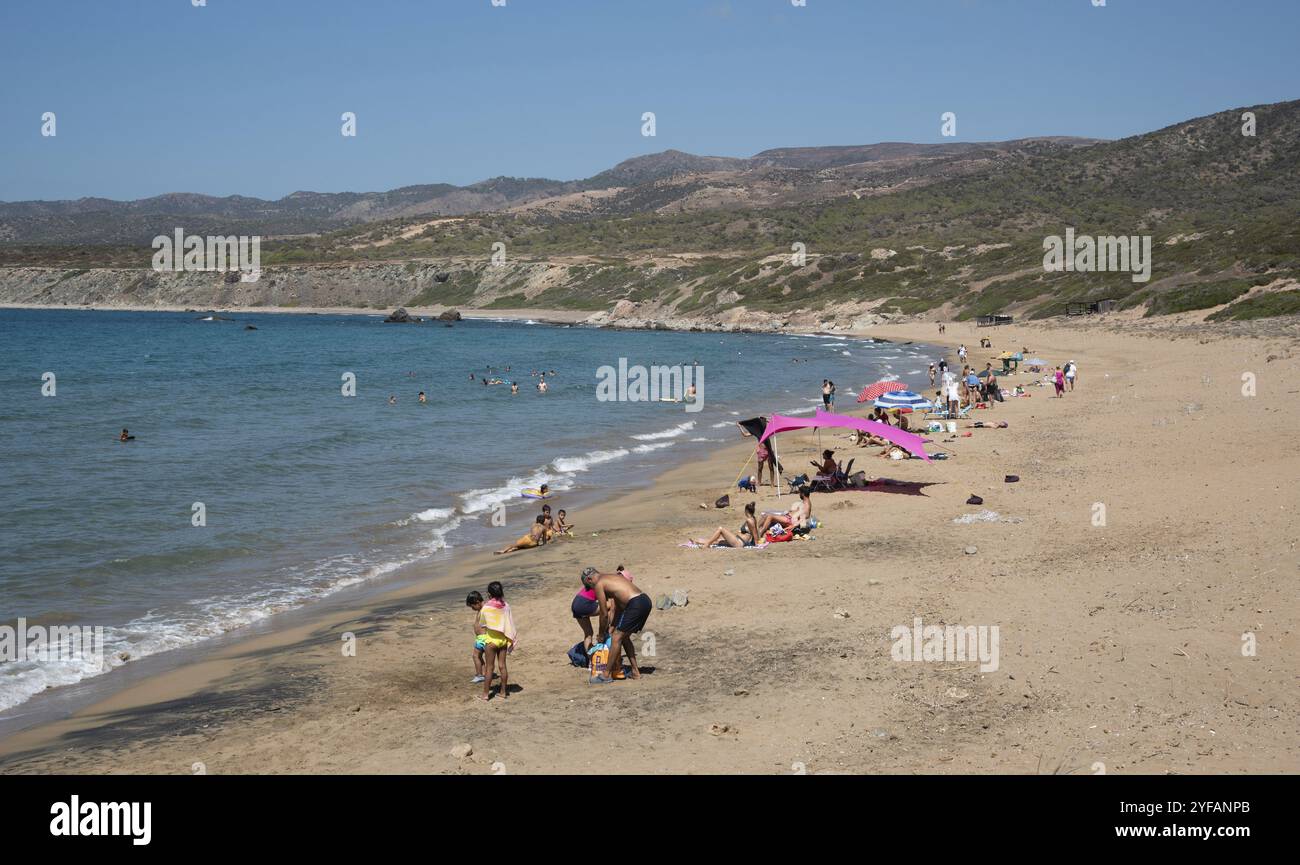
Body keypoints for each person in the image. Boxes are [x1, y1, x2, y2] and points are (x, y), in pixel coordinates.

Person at [585, 569, 650, 683]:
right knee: (623, 637)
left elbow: (604, 614)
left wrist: (601, 634)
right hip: (645, 601)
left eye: (590, 587)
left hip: (635, 603)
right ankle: (635, 672)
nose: (593, 590)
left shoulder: (599, 583)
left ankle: (606, 675)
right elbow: (619, 608)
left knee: (616, 638)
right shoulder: (611, 578)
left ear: (589, 580)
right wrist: (612, 626)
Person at [477, 581, 516, 701]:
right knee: (502, 666)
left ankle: (485, 694)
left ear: (489, 594)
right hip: (503, 640)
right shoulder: (506, 606)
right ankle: (503, 692)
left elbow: (482, 623)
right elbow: (509, 623)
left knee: (489, 668)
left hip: (491, 641)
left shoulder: (486, 608)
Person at [691, 501, 760, 548]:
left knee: (721, 529)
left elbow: (755, 533)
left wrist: (757, 545)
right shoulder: (753, 518)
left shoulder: (749, 520)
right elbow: (755, 531)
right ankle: (697, 542)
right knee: (718, 541)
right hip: (738, 539)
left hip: (739, 542)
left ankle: (706, 545)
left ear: (746, 511)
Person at [466, 591, 489, 684]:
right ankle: (484, 673)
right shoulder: (482, 608)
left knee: (475, 656)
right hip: (481, 637)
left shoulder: (484, 609)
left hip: (482, 638)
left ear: (477, 602)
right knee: (479, 656)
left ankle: (479, 675)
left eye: (472, 606)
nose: (472, 608)